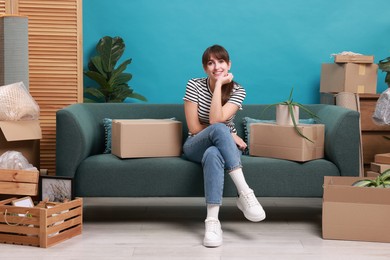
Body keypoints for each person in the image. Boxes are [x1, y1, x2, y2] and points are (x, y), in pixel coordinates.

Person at [182, 44, 266, 248]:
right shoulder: (193, 85)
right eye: (210, 63)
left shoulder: (238, 90)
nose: (216, 66)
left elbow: (216, 118)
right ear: (205, 68)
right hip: (195, 143)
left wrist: (220, 85)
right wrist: (231, 133)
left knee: (213, 153)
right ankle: (245, 192)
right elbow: (196, 126)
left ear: (229, 65)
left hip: (218, 148)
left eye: (220, 61)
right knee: (220, 129)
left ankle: (212, 223)